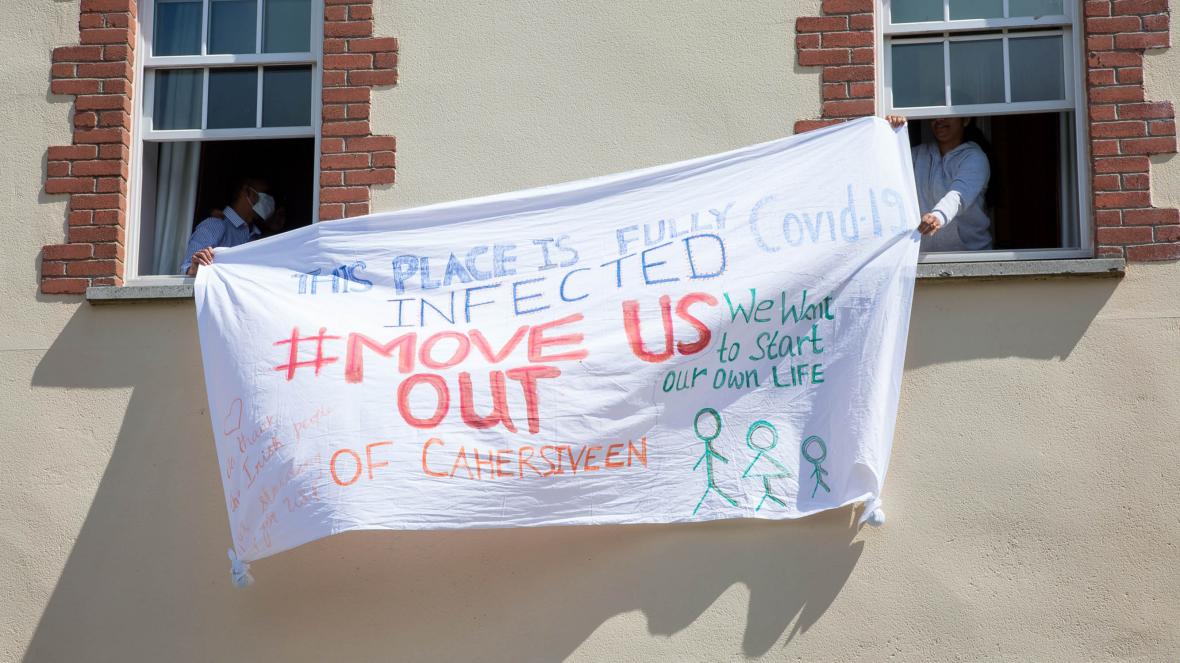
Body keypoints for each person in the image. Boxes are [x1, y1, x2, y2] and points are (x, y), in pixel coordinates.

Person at [886, 115, 993, 252]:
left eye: (947, 115)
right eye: (934, 116)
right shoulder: (917, 155)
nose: (939, 120)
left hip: (970, 257)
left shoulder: (975, 158)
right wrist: (892, 132)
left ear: (965, 120)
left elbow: (958, 196)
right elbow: (886, 168)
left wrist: (937, 217)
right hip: (926, 258)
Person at [181, 177, 278, 276]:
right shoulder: (215, 225)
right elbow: (187, 268)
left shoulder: (257, 236)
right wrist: (194, 268)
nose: (270, 200)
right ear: (247, 191)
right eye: (265, 193)